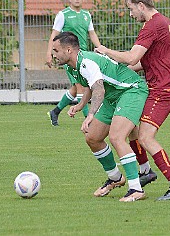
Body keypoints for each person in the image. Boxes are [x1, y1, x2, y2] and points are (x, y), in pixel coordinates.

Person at [95, 0, 170, 200]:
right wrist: (113, 72)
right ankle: (145, 170)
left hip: (163, 88)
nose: (130, 14)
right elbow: (140, 62)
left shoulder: (151, 25)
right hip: (160, 85)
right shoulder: (160, 21)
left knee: (145, 137)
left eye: (130, 9)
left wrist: (105, 51)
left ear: (141, 6)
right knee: (132, 128)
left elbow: (131, 57)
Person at [52, 32, 149, 202]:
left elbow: (99, 89)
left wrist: (90, 115)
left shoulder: (86, 62)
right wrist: (80, 105)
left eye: (55, 50)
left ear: (68, 50)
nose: (53, 54)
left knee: (117, 137)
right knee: (92, 138)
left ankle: (136, 189)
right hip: (112, 96)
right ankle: (115, 177)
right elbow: (90, 86)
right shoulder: (70, 65)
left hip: (131, 90)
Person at [46, 0, 101, 126]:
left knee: (77, 89)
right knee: (82, 87)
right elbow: (54, 34)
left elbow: (92, 33)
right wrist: (49, 53)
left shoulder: (86, 15)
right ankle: (89, 120)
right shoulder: (63, 14)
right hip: (70, 57)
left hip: (83, 55)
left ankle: (55, 111)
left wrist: (100, 48)